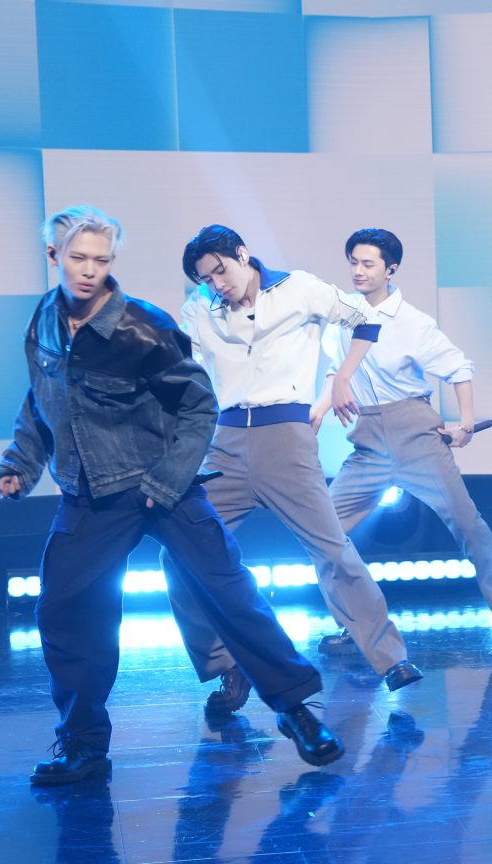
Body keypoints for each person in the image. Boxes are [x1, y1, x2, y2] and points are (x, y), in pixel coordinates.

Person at [0, 207, 342, 785]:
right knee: (63, 609)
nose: (89, 270)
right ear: (54, 256)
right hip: (90, 491)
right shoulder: (45, 323)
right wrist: (18, 465)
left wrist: (167, 480)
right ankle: (83, 744)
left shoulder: (143, 326)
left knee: (227, 589)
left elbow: (199, 405)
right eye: (77, 258)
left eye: (101, 260)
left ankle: (296, 710)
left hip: (164, 483)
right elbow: (42, 401)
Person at [163, 225, 424, 713]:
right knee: (178, 554)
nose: (216, 283)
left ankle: (391, 658)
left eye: (220, 270)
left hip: (286, 439)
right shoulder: (200, 307)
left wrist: (342, 378)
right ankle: (226, 665)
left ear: (243, 254)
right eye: (206, 279)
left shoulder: (298, 287)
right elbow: (181, 369)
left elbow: (365, 320)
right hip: (223, 446)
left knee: (332, 550)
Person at [314, 228, 492, 648]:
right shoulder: (342, 316)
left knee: (468, 525)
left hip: (415, 435)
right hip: (367, 441)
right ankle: (355, 624)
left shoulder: (412, 322)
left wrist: (465, 424)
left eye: (368, 263)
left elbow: (458, 368)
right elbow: (338, 373)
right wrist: (318, 411)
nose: (358, 271)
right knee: (321, 530)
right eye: (353, 262)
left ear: (390, 269)